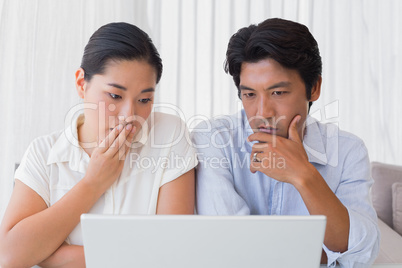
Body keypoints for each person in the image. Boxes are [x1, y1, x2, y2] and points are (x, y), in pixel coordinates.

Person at [0, 22, 197, 267]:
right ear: (82, 84)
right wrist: (93, 184)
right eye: (115, 96)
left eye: (144, 99)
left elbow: (173, 252)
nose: (129, 115)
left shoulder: (169, 134)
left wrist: (49, 254)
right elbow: (9, 255)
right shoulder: (43, 153)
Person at [192, 18, 379, 267]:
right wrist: (320, 251)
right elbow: (227, 245)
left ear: (314, 88)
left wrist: (304, 176)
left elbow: (360, 253)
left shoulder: (346, 151)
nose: (263, 111)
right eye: (249, 94)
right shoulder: (214, 140)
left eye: (278, 93)